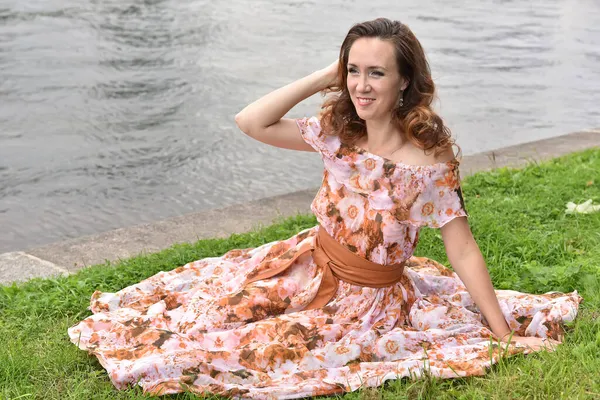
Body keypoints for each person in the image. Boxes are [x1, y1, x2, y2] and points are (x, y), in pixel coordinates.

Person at [68, 18, 582, 399]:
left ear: (404, 81)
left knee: (262, 352)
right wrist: (321, 77)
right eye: (352, 71)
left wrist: (500, 332)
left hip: (367, 300)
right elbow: (251, 121)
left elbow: (463, 248)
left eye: (376, 73)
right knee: (205, 313)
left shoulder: (427, 160)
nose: (361, 85)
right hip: (305, 263)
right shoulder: (339, 134)